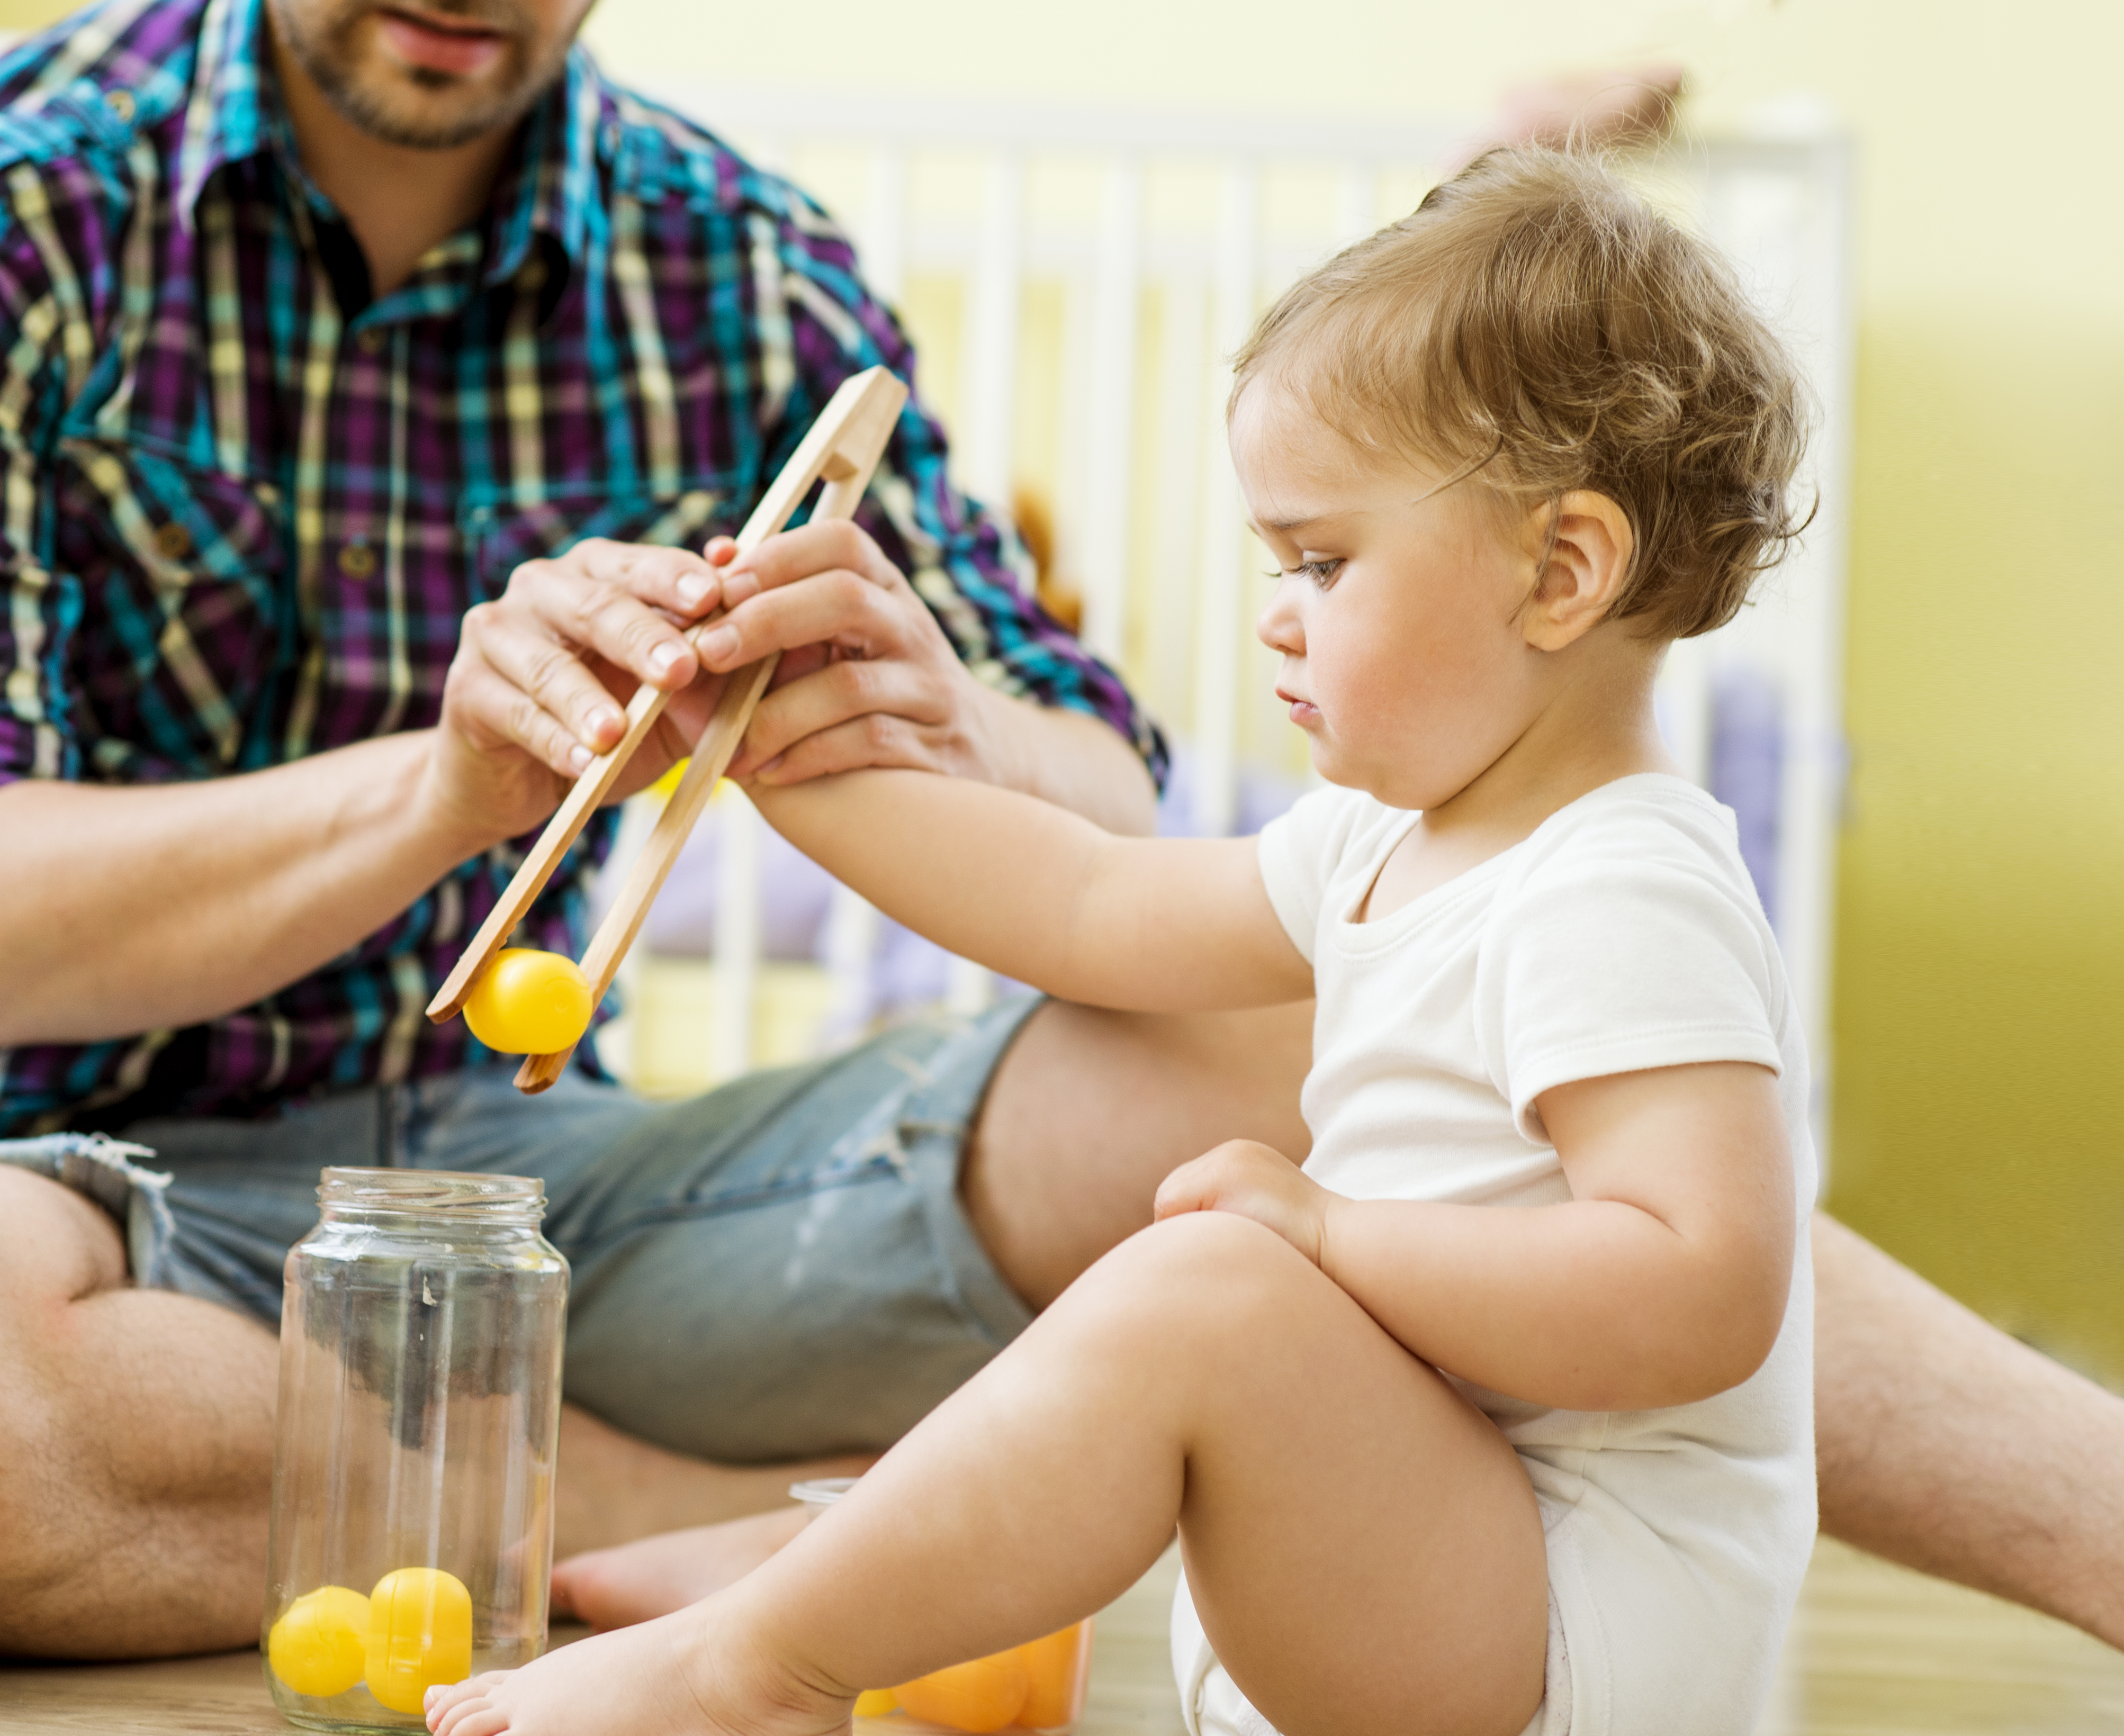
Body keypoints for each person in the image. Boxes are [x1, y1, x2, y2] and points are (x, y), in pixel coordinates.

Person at [0, 0, 2124, 1690]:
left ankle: (2117, 1524)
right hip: (43, 1199)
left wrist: (887, 725)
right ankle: (837, 1541)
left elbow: (1101, 837)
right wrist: (451, 784)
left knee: (1350, 996)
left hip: (542, 1184)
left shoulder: (728, 256)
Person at [421, 145, 1815, 1736]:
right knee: (1215, 1285)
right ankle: (800, 1603)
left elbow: (1700, 1287)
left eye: (1324, 561)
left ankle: (753, 1673)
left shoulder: (1617, 885)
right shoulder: (1388, 840)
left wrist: (1322, 1239)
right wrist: (763, 747)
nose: (1279, 612)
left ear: (1562, 572)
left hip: (1580, 1619)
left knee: (1214, 1288)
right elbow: (1082, 905)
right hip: (1453, 1564)